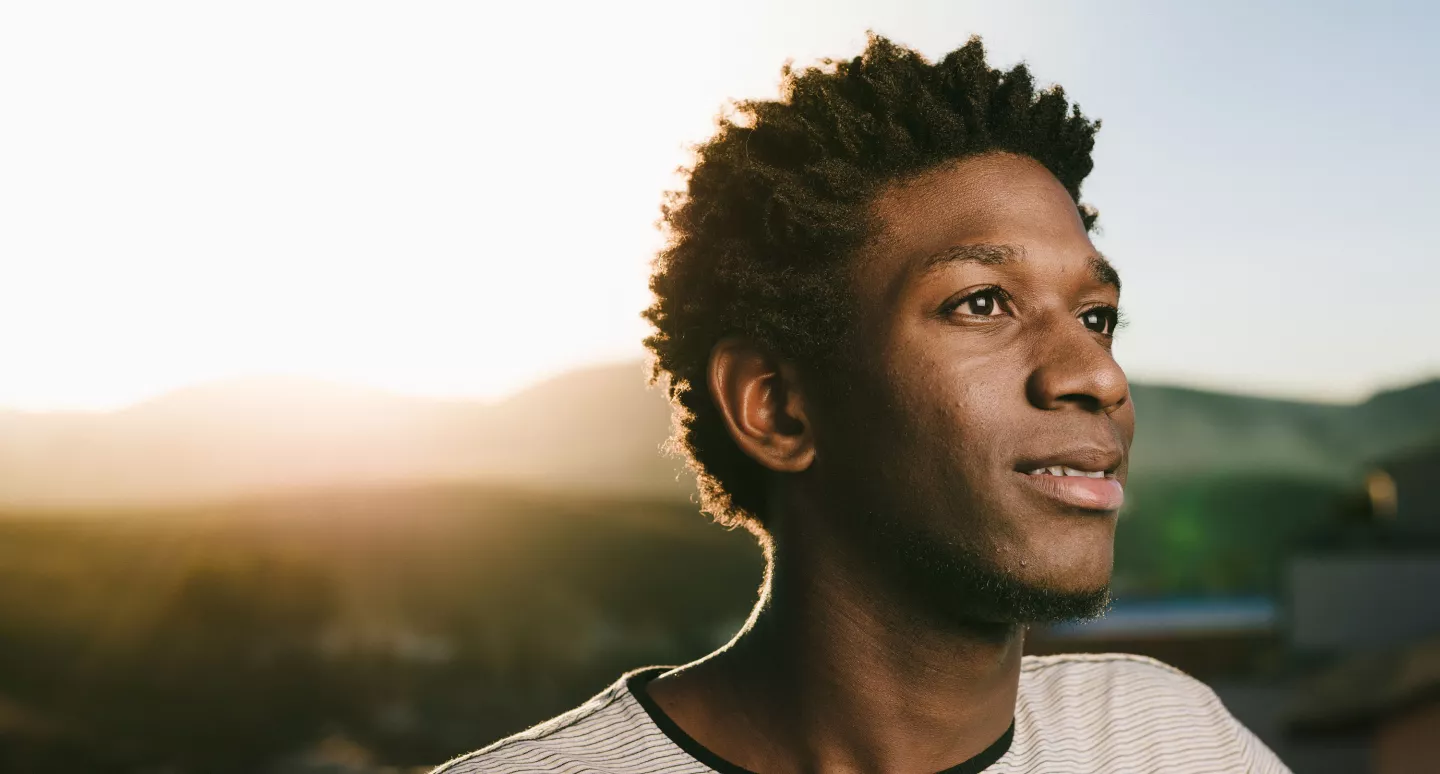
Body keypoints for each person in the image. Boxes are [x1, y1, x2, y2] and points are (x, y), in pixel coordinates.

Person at [434, 33, 1290, 774]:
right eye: (982, 302)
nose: (1100, 377)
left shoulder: (1170, 739)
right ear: (776, 408)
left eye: (1097, 317)